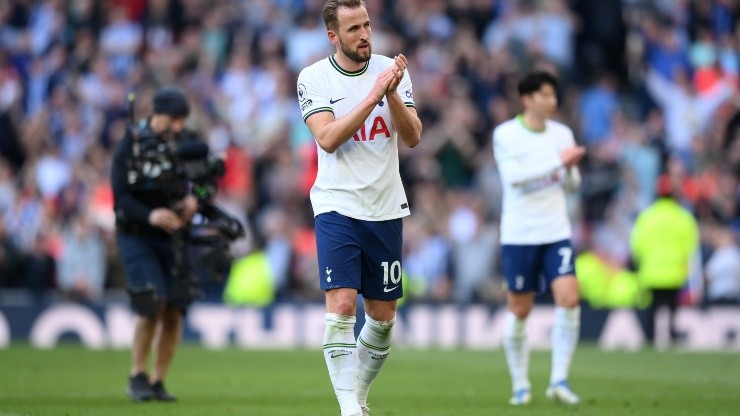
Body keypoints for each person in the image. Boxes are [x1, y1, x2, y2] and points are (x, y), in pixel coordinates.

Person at [296, 1, 422, 415]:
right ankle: (349, 407)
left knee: (383, 320)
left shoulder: (391, 71)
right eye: (353, 29)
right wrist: (373, 96)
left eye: (367, 25)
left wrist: (393, 96)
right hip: (337, 205)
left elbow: (413, 137)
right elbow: (328, 138)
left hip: (385, 206)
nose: (364, 34)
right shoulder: (313, 78)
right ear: (333, 36)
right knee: (343, 306)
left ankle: (359, 396)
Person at [492, 71, 585, 406]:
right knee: (520, 309)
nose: (552, 101)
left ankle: (559, 379)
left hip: (555, 231)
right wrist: (558, 162)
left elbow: (572, 185)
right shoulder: (506, 134)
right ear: (527, 99)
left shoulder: (562, 133)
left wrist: (571, 167)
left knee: (569, 298)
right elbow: (513, 178)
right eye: (545, 95)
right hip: (520, 234)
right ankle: (520, 383)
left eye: (554, 95)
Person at [111, 87, 198, 402]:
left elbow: (206, 181)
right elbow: (120, 197)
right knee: (151, 301)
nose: (177, 126)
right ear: (156, 113)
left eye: (181, 120)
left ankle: (158, 380)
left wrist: (194, 201)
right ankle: (137, 375)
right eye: (173, 119)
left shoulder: (187, 141)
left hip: (176, 236)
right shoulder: (130, 144)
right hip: (138, 234)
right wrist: (152, 215)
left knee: (174, 309)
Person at [630, 175, 699, 345]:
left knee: (652, 312)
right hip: (675, 274)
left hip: (651, 273)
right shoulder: (684, 217)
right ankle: (672, 342)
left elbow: (636, 246)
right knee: (673, 312)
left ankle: (650, 344)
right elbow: (692, 249)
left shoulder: (647, 216)